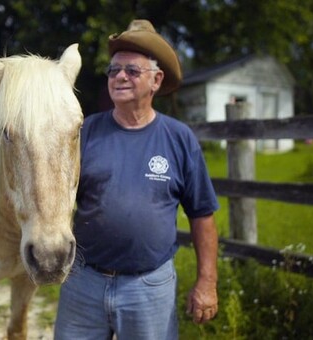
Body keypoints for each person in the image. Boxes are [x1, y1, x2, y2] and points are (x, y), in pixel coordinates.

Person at [54, 19, 219, 339]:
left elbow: (202, 215)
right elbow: (55, 197)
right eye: (114, 70)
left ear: (156, 80)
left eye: (131, 70)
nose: (119, 76)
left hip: (149, 287)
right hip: (83, 282)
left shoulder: (178, 138)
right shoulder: (85, 132)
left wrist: (207, 282)